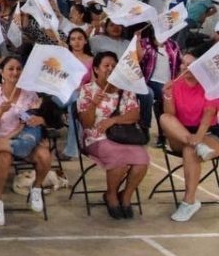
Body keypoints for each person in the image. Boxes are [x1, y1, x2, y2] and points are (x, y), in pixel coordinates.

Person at [76, 52, 149, 219]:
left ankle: (126, 197)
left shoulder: (126, 89)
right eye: (106, 66)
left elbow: (135, 114)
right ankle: (111, 195)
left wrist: (113, 120)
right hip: (96, 137)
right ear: (96, 69)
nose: (111, 69)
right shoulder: (87, 90)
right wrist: (94, 103)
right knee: (120, 160)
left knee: (142, 160)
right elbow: (86, 123)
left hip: (124, 135)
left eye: (114, 66)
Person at [0, 56, 52, 221]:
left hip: (25, 139)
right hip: (1, 138)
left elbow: (42, 117)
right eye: (11, 69)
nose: (15, 72)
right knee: (4, 158)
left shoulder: (31, 94)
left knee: (45, 155)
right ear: (1, 72)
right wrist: (0, 112)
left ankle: (36, 188)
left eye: (18, 69)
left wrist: (41, 120)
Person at [159, 54, 219, 222]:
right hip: (180, 133)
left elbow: (209, 115)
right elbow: (170, 115)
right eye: (183, 64)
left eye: (190, 64)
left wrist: (198, 139)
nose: (184, 67)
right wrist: (168, 95)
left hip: (207, 133)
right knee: (164, 118)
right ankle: (196, 146)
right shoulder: (175, 84)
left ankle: (189, 202)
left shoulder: (211, 86)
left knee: (190, 150)